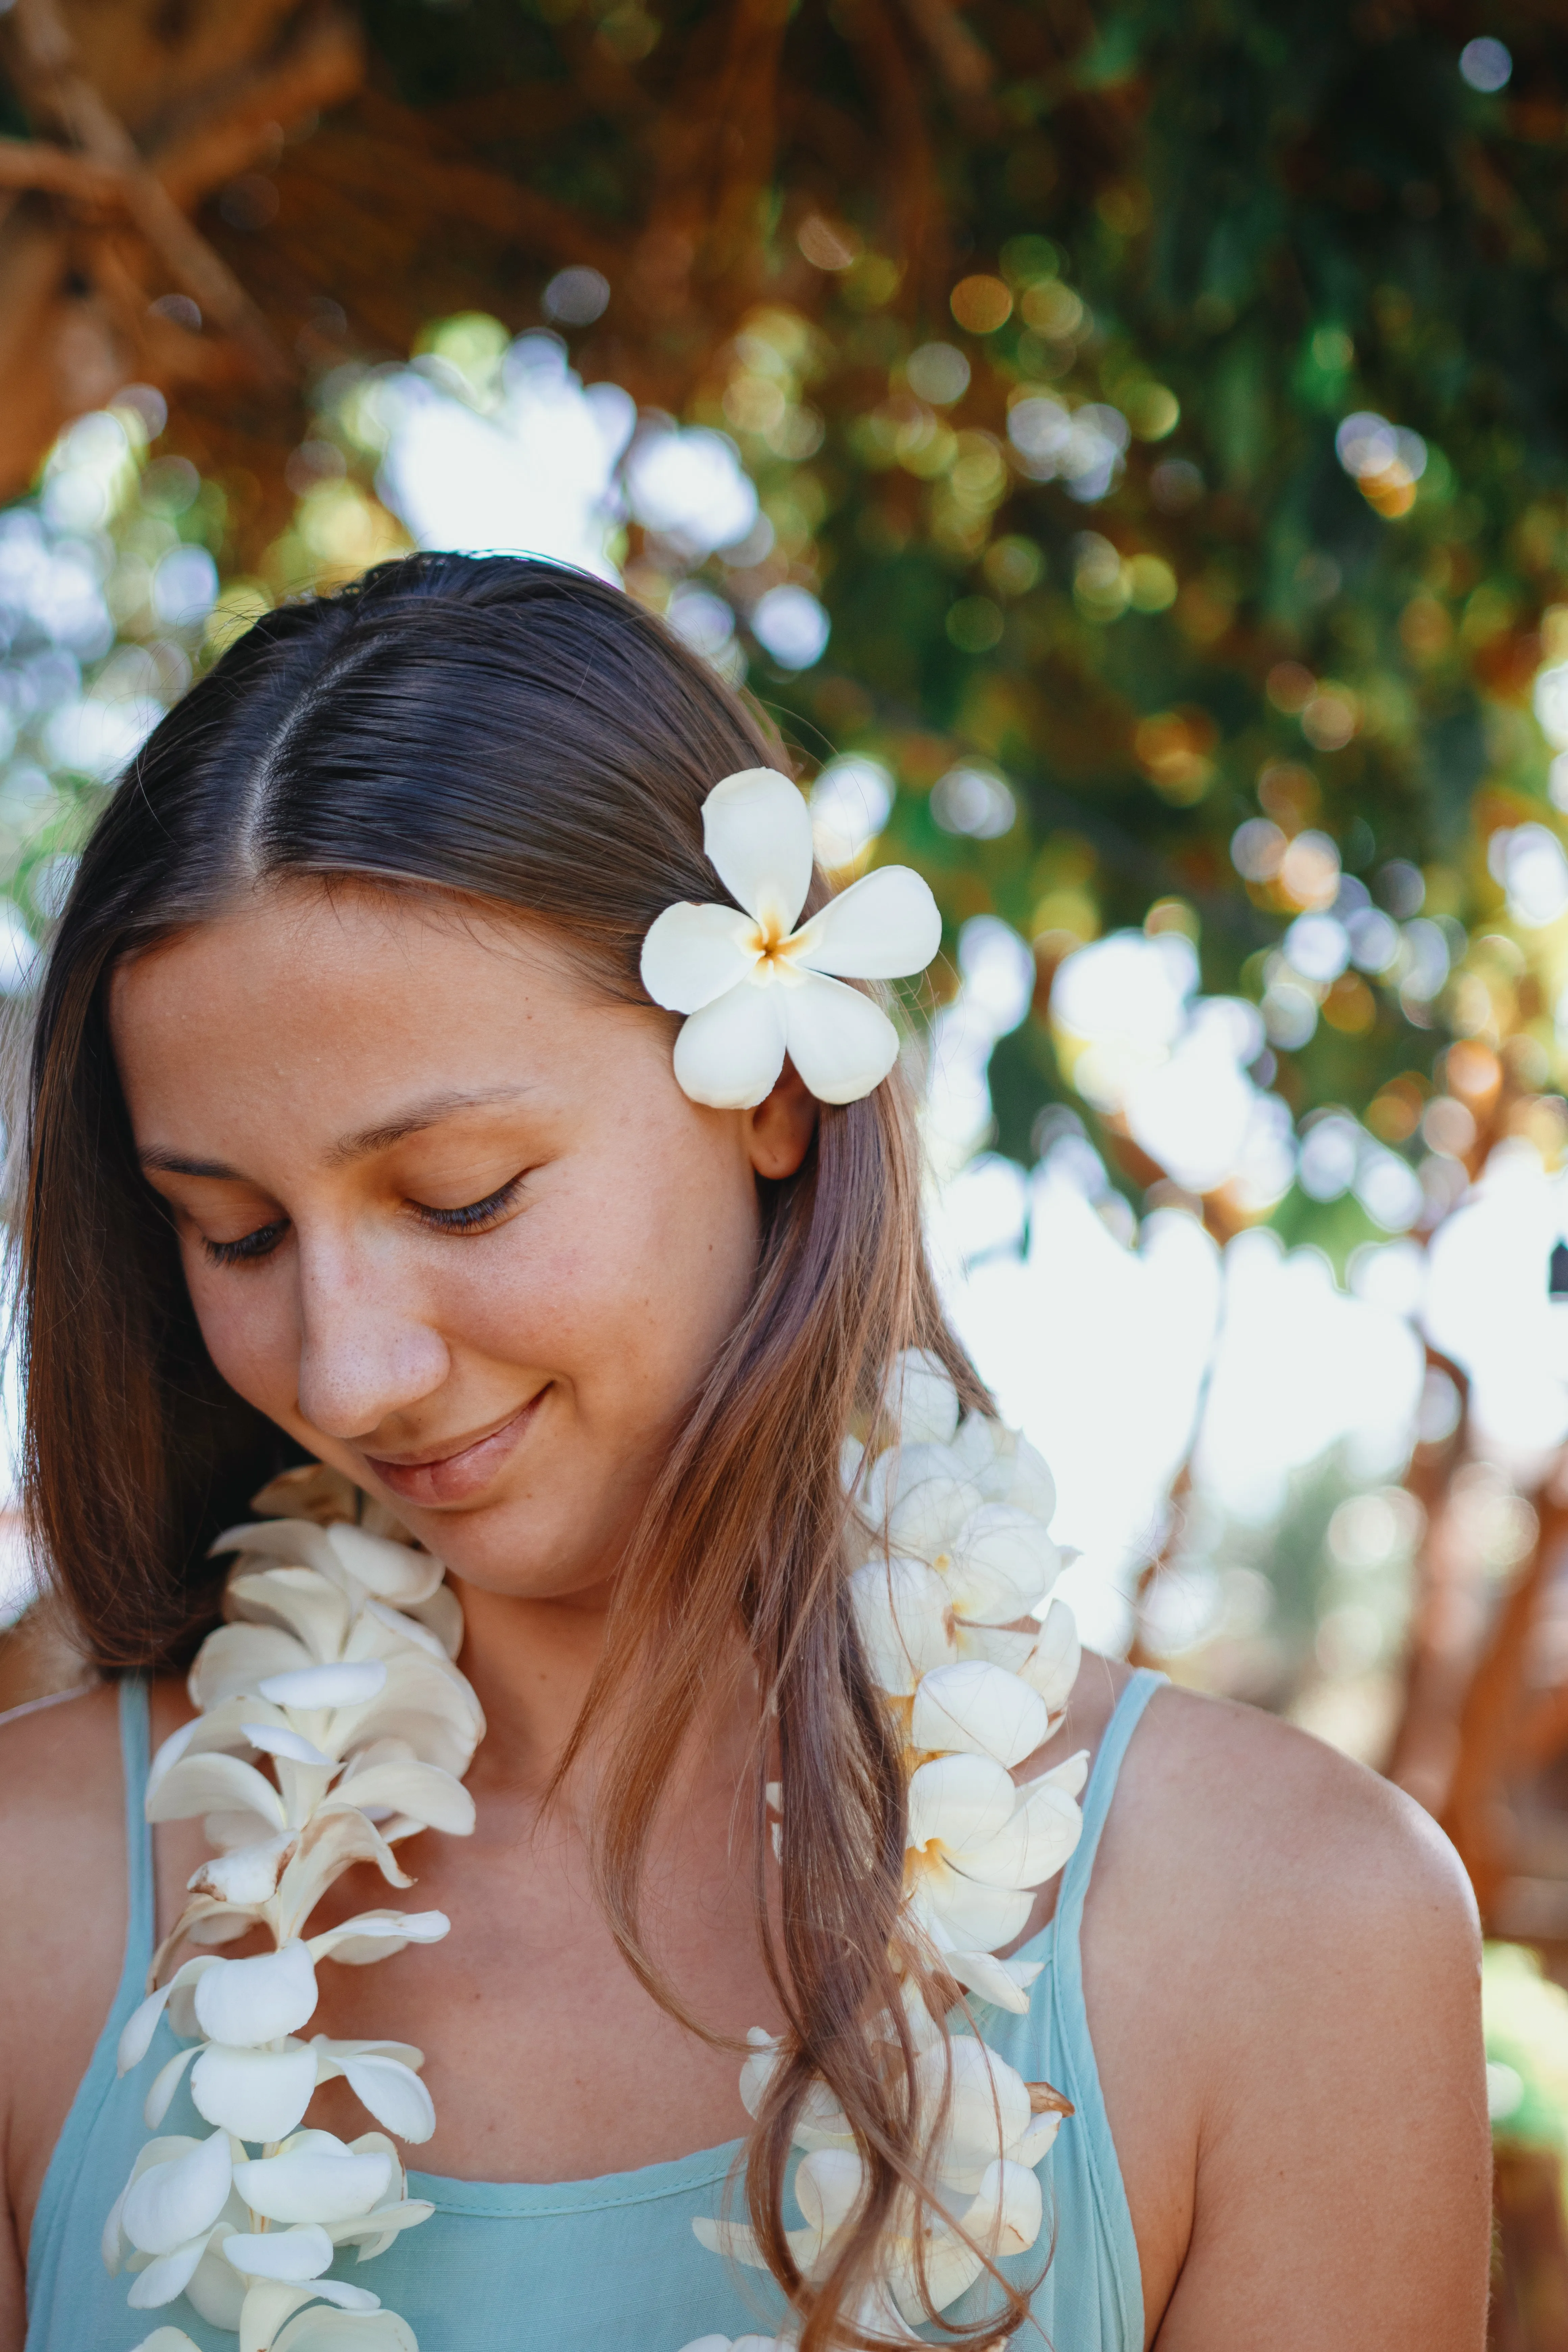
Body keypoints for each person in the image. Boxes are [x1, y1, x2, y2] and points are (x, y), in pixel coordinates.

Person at [0, 553, 1488, 2352]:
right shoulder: (35, 1899)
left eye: (462, 1197)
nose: (350, 1368)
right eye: (234, 1233)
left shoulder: (1285, 1925)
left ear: (772, 1092)